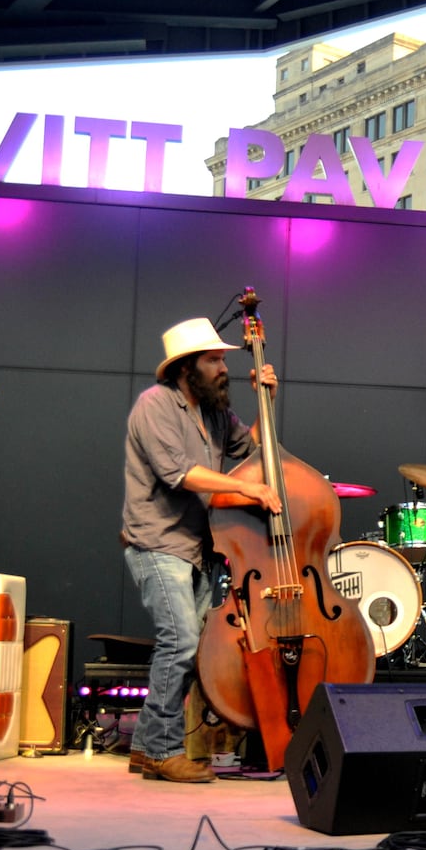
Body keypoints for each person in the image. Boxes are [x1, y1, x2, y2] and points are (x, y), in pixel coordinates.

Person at [121, 317, 280, 783]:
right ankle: (164, 751)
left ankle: (146, 748)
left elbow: (250, 448)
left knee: (189, 650)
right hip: (157, 541)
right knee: (182, 641)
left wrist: (266, 399)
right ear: (185, 368)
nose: (222, 368)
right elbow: (180, 473)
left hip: (197, 547)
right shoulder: (155, 405)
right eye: (213, 360)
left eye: (223, 360)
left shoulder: (212, 412)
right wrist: (248, 492)